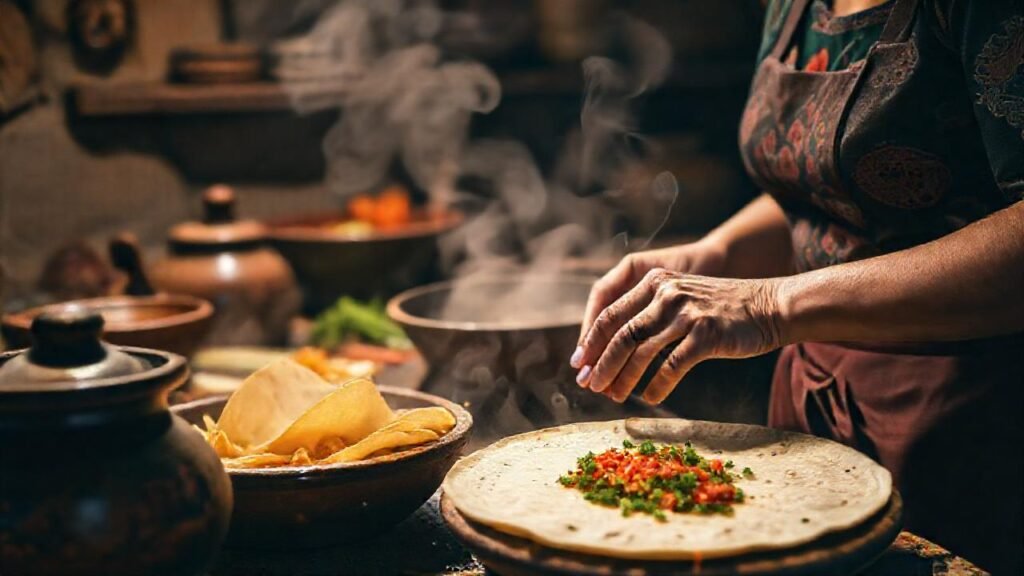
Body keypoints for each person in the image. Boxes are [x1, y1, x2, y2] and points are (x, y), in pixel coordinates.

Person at [570, 0, 1024, 573]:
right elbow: (823, 192)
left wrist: (769, 304)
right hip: (812, 403)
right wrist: (716, 254)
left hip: (964, 426)